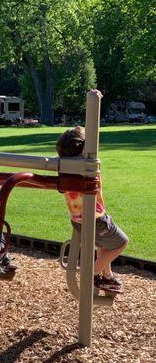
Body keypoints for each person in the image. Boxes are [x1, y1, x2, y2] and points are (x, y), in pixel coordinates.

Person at [57, 125, 129, 292]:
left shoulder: (64, 168)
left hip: (77, 220)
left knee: (106, 243)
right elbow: (98, 193)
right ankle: (92, 273)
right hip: (96, 220)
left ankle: (107, 277)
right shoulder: (90, 169)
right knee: (121, 242)